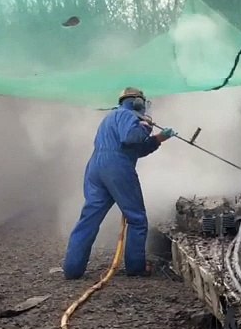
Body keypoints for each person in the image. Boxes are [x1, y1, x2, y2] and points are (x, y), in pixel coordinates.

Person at [62, 87, 175, 279]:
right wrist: (146, 125)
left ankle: (72, 269)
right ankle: (136, 267)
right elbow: (130, 138)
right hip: (117, 167)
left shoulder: (110, 118)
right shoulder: (129, 115)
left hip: (95, 168)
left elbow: (134, 148)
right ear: (138, 102)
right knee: (137, 219)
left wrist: (158, 139)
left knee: (89, 218)